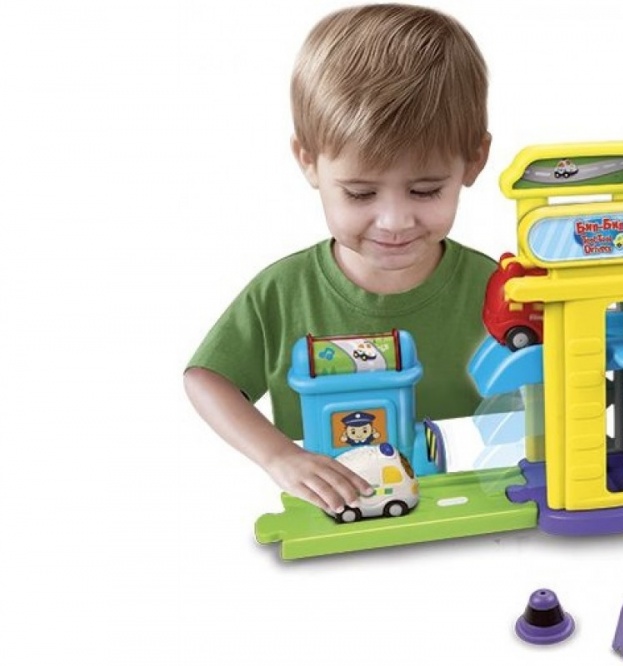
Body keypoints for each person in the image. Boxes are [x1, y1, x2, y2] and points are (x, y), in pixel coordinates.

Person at [184, 4, 495, 516]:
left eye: (424, 190)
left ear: (474, 161)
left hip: (469, 522)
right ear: (308, 161)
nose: (394, 221)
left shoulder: (497, 288)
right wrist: (280, 456)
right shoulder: (283, 291)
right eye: (360, 193)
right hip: (334, 524)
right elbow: (207, 378)